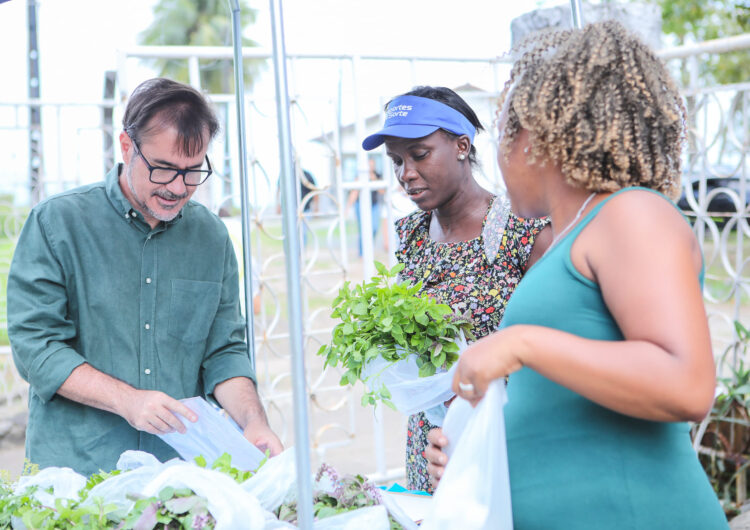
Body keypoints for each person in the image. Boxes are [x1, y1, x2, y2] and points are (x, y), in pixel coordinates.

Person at [425, 21, 727, 527]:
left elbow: (687, 384)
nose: (497, 159)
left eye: (502, 134)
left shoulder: (630, 213)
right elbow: (567, 405)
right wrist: (473, 451)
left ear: (537, 136)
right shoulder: (571, 241)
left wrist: (520, 342)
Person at [7, 78, 282, 476]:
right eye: (164, 168)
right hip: (77, 472)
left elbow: (224, 351)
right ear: (126, 146)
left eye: (193, 172)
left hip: (181, 476)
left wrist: (253, 421)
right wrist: (128, 401)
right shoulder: (57, 223)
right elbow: (37, 346)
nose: (178, 187)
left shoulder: (210, 236)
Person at [362, 85, 550, 493]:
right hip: (430, 446)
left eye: (419, 154)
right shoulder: (411, 234)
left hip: (500, 440)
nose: (405, 173)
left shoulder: (522, 231)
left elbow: (549, 349)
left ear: (462, 146)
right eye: (396, 160)